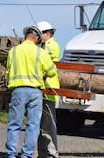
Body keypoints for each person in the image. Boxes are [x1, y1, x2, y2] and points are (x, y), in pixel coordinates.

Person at [5, 25, 57, 158]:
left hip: (18, 91)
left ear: (26, 36)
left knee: (14, 125)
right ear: (37, 37)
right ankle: (26, 155)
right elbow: (52, 71)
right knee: (32, 126)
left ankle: (10, 155)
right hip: (35, 92)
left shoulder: (13, 51)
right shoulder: (41, 52)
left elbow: (8, 70)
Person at [37, 21, 61, 158]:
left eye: (39, 34)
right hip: (42, 89)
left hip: (49, 90)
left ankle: (52, 154)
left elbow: (45, 60)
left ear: (47, 33)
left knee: (49, 125)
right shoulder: (44, 45)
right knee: (40, 126)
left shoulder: (52, 45)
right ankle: (42, 153)